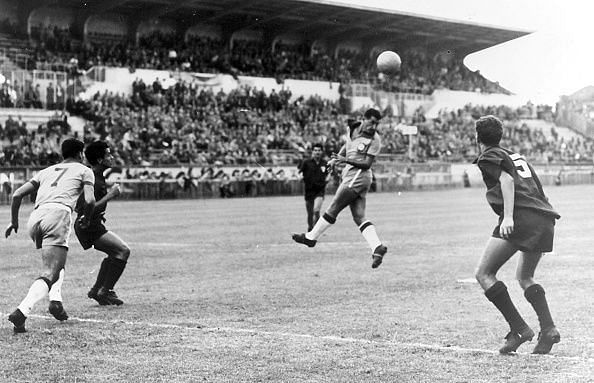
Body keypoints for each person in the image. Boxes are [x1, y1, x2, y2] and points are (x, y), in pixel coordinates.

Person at [473, 115, 561, 354]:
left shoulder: (488, 155)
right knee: (525, 277)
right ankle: (549, 329)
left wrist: (509, 216)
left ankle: (519, 328)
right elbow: (535, 186)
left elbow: (507, 181)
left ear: (477, 137)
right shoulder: (515, 155)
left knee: (484, 273)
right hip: (544, 216)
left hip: (522, 216)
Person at [5, 138, 95, 333]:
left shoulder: (45, 171)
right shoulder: (84, 170)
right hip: (58, 215)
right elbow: (90, 200)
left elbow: (17, 195)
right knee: (50, 271)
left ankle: (55, 301)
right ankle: (22, 310)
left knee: (55, 264)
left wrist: (14, 221)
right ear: (80, 154)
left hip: (36, 218)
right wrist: (87, 219)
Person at [292, 108, 388, 269]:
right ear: (363, 119)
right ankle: (377, 247)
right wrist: (336, 160)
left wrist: (346, 160)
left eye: (377, 124)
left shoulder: (375, 139)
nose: (374, 126)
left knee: (333, 208)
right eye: (372, 122)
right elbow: (347, 144)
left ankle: (311, 237)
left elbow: (367, 164)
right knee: (359, 217)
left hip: (358, 176)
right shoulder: (352, 128)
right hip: (352, 176)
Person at [74, 141, 131, 306]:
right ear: (99, 160)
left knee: (115, 253)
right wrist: (111, 195)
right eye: (108, 154)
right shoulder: (93, 179)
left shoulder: (95, 177)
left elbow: (86, 206)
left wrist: (98, 214)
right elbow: (84, 207)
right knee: (123, 250)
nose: (112, 157)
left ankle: (98, 290)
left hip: (91, 223)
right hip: (88, 225)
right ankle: (104, 291)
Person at [298, 143, 329, 231]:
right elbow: (300, 173)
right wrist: (300, 177)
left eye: (319, 150)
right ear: (312, 152)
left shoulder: (325, 163)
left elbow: (329, 174)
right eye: (315, 150)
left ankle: (316, 231)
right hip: (309, 190)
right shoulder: (306, 162)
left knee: (316, 210)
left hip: (320, 190)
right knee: (310, 213)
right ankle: (310, 228)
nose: (317, 152)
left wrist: (328, 178)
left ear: (322, 152)